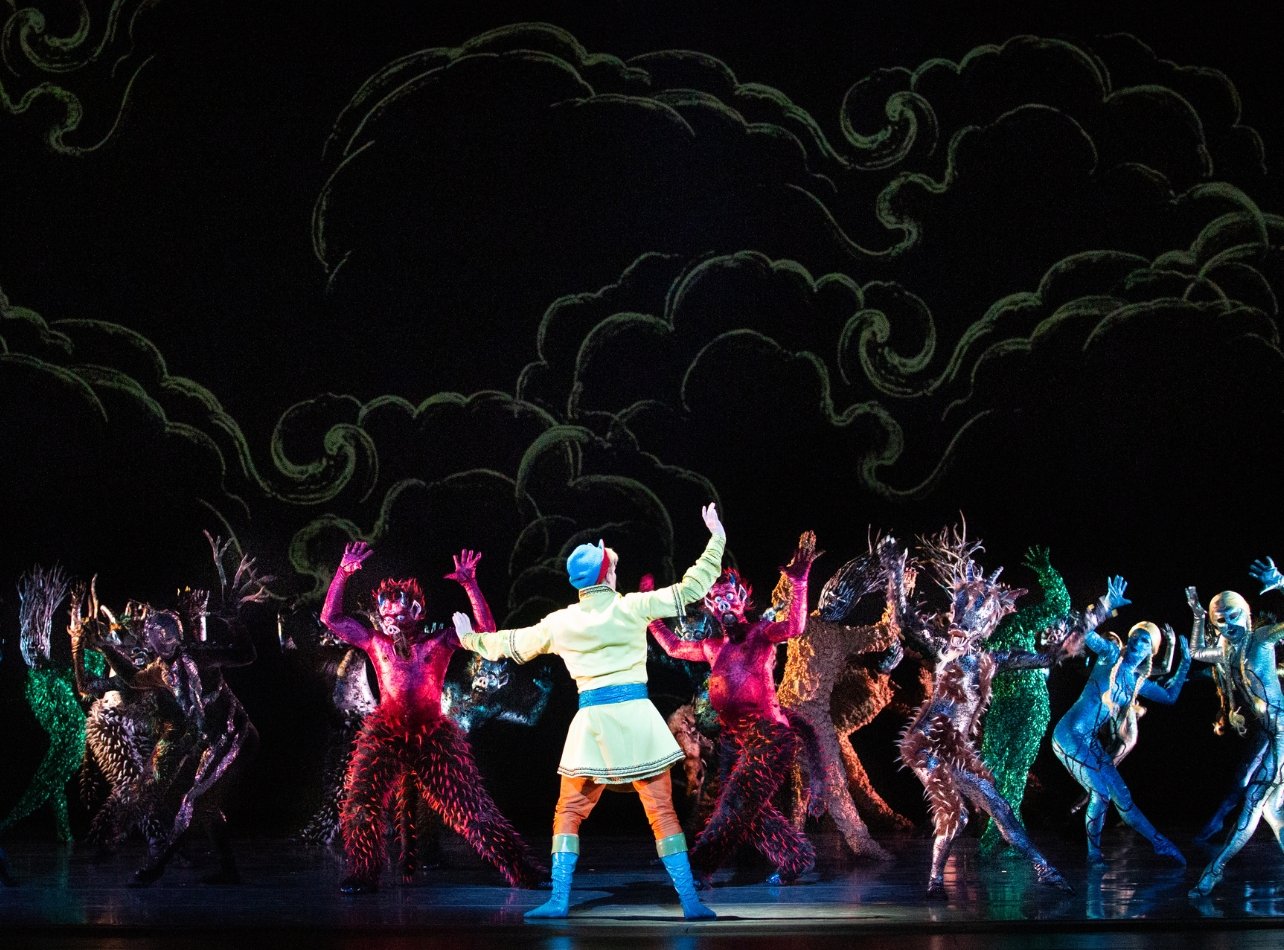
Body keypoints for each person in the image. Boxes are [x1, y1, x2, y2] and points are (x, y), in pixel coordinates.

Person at [453, 503, 726, 920]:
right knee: (663, 812)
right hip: (636, 721)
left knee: (569, 811)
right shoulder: (631, 606)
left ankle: (560, 899)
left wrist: (470, 639)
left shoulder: (562, 622)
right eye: (611, 566)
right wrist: (716, 538)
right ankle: (689, 901)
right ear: (606, 575)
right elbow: (691, 590)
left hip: (593, 727)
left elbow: (509, 645)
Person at [320, 545, 543, 893]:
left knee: (473, 811)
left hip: (433, 737)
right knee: (360, 805)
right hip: (386, 734)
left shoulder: (438, 641)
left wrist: (470, 584)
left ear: (419, 611)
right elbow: (331, 619)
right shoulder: (375, 642)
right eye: (386, 609)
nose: (392, 614)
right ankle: (364, 871)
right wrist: (344, 572)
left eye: (401, 608)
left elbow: (485, 630)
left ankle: (522, 870)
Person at [646, 531, 819, 885]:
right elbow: (675, 648)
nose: (724, 605)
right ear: (712, 607)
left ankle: (698, 869)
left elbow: (796, 626)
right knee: (747, 812)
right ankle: (795, 857)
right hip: (734, 742)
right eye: (717, 601)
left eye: (729, 599)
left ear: (741, 603)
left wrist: (800, 584)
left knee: (734, 807)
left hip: (769, 737)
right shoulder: (712, 647)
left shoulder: (761, 634)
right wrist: (650, 615)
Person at [1051, 605, 1190, 863]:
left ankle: (1160, 843)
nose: (1138, 641)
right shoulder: (1110, 655)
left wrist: (1185, 665)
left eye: (1145, 639)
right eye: (1135, 636)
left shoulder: (1136, 682)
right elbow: (1088, 633)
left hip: (1088, 740)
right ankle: (1093, 854)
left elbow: (1170, 697)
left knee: (1122, 795)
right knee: (1101, 793)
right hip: (1069, 733)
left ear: (1152, 650)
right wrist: (1106, 606)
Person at [1187, 557, 1284, 897]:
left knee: (1254, 801)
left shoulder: (1262, 639)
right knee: (1273, 810)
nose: (1228, 623)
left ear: (1247, 611)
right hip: (1272, 733)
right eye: (1220, 619)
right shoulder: (1226, 651)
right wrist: (1198, 616)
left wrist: (1281, 581)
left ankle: (1214, 871)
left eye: (1233, 614)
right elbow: (1197, 650)